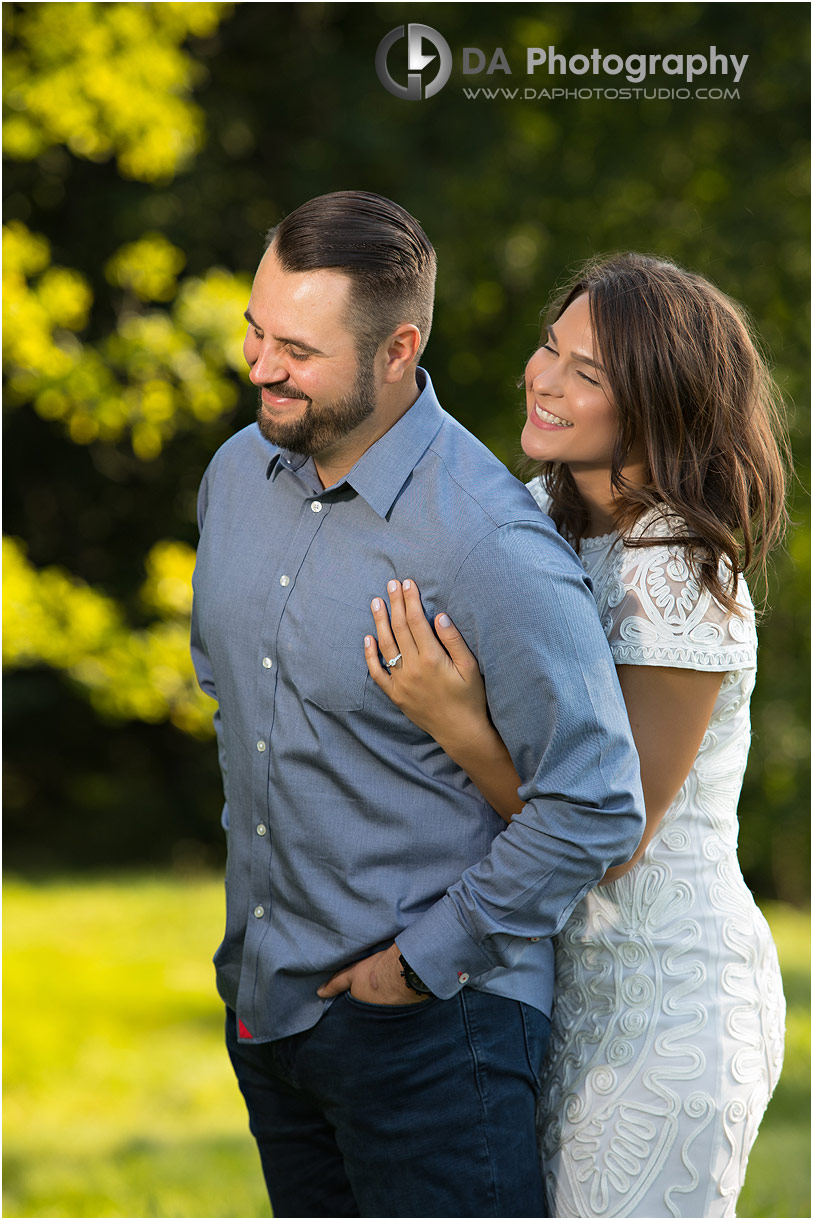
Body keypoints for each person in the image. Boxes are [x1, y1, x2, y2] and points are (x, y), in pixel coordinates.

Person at [190, 192, 646, 1219]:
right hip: (272, 1016)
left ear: (397, 349)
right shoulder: (233, 478)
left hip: (436, 1034)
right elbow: (237, 705)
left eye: (297, 348)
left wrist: (421, 965)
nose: (259, 365)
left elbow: (597, 802)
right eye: (256, 330)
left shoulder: (487, 545)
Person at [366, 253, 788, 1218]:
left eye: (586, 372)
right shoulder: (542, 525)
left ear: (657, 403)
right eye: (550, 347)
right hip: (550, 988)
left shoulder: (677, 570)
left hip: (666, 1001)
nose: (542, 377)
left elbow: (608, 831)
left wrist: (456, 720)